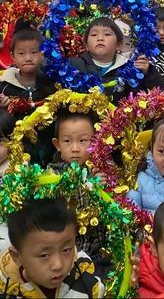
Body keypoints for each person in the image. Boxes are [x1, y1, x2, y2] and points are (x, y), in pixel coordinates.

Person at [0, 197, 104, 298]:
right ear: (17, 256)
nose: (58, 265)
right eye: (44, 255)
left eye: (66, 250)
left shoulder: (86, 279)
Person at [50, 110, 107, 263]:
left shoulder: (100, 171)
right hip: (67, 255)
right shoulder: (51, 175)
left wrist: (105, 188)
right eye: (67, 141)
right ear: (57, 144)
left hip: (99, 254)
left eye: (83, 141)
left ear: (95, 141)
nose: (75, 148)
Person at [69, 17, 164, 104]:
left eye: (107, 34)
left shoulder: (129, 70)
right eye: (94, 35)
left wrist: (147, 73)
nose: (100, 38)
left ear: (119, 44)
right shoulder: (73, 66)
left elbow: (154, 94)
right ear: (86, 45)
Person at [0, 26, 56, 166]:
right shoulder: (3, 87)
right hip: (18, 151)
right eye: (22, 53)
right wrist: (3, 110)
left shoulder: (52, 83)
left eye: (34, 52)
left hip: (50, 147)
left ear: (42, 54)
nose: (28, 58)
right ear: (12, 56)